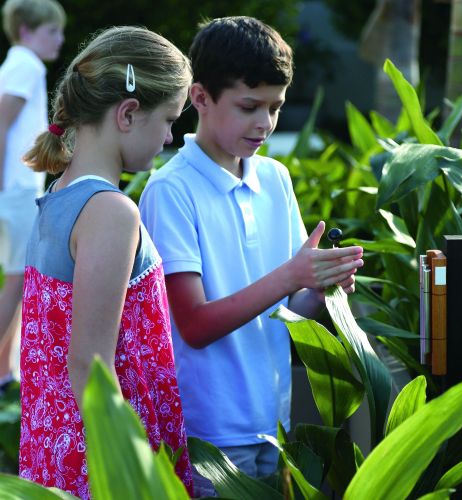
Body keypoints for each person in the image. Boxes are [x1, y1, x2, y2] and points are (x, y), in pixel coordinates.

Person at [139, 15, 364, 497]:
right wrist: (291, 276)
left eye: (276, 107)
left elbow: (288, 310)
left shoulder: (277, 180)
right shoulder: (171, 190)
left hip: (274, 422)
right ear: (199, 98)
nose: (264, 123)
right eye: (248, 106)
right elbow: (195, 325)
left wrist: (323, 289)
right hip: (210, 437)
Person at [19, 26, 193, 498]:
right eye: (170, 120)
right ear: (129, 113)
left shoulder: (59, 196)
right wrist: (130, 471)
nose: (171, 136)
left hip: (58, 447)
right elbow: (90, 365)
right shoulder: (111, 212)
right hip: (102, 460)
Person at [0, 0, 65, 395]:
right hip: (15, 190)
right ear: (25, 30)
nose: (58, 39)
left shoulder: (19, 63)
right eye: (51, 31)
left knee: (17, 277)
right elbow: (1, 122)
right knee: (16, 278)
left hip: (17, 189)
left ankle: (6, 366)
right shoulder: (26, 64)